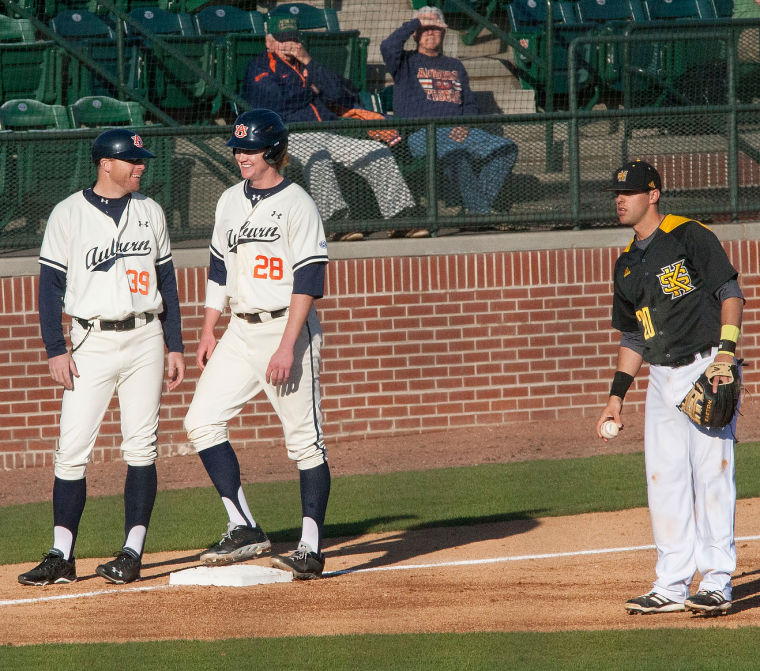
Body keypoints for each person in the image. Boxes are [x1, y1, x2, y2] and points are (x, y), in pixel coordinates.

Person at [18, 129, 185, 586]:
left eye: (141, 159)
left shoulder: (150, 211)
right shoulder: (68, 213)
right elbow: (49, 289)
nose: (141, 166)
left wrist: (176, 345)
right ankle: (61, 556)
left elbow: (166, 282)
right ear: (105, 164)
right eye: (132, 160)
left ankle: (132, 551)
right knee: (71, 451)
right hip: (90, 340)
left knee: (141, 447)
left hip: (145, 338)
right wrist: (56, 348)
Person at [184, 109, 331, 580]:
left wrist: (288, 346)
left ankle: (310, 547)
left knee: (304, 442)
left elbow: (308, 280)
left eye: (249, 149)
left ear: (273, 151)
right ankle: (244, 525)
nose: (241, 156)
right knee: (201, 421)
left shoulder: (298, 203)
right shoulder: (229, 200)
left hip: (285, 330)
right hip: (239, 330)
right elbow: (219, 269)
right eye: (237, 149)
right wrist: (209, 327)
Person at [596, 160, 744, 616]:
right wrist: (616, 397)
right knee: (664, 482)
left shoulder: (689, 235)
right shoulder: (626, 264)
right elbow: (634, 336)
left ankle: (717, 581)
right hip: (659, 379)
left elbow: (730, 292)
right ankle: (671, 584)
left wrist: (726, 353)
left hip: (705, 367)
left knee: (713, 477)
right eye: (616, 193)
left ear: (654, 194)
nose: (620, 199)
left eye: (631, 191)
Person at [242, 15, 421, 241]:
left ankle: (400, 218)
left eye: (293, 40)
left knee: (377, 152)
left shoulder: (307, 62)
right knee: (318, 157)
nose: (289, 45)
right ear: (269, 42)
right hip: (290, 136)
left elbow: (340, 93)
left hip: (329, 132)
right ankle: (336, 222)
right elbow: (276, 104)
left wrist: (308, 62)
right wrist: (313, 90)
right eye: (282, 40)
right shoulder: (260, 66)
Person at [381, 5, 519, 221]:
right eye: (426, 28)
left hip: (458, 131)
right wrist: (418, 22)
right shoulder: (405, 62)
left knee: (506, 149)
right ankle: (482, 214)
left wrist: (464, 125)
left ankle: (475, 210)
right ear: (415, 34)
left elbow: (470, 104)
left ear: (444, 32)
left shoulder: (455, 65)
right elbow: (388, 46)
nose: (430, 32)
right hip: (422, 134)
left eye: (436, 28)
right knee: (458, 157)